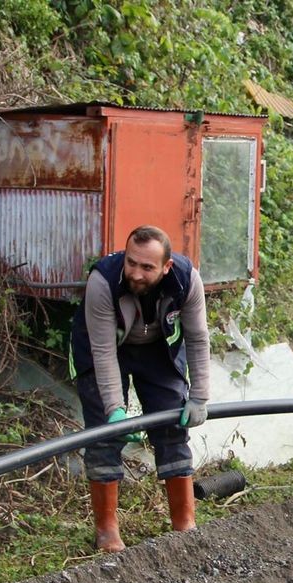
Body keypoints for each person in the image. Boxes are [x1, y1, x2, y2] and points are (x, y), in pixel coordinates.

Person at [69, 225, 211, 552]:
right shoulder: (103, 281)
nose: (136, 273)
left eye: (147, 267)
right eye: (131, 262)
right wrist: (115, 410)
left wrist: (200, 397)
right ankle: (107, 531)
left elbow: (198, 338)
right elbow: (103, 351)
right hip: (103, 348)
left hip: (157, 349)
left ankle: (184, 522)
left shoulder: (187, 280)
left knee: (172, 423)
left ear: (166, 267)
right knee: (104, 434)